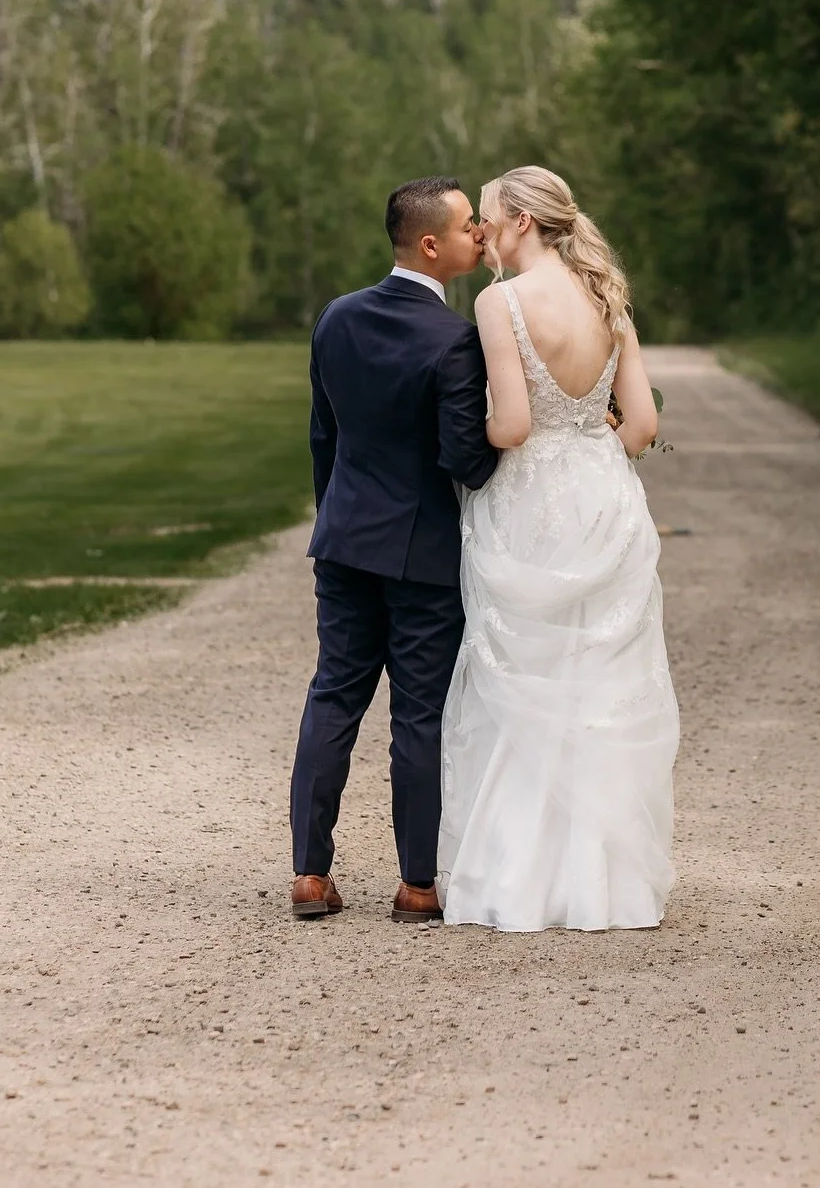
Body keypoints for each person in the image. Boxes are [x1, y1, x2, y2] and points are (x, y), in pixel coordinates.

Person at [437, 166, 679, 931]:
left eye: (487, 218)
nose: (481, 231)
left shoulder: (499, 300)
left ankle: (519, 880)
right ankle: (603, 887)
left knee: (522, 675)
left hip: (533, 498)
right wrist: (586, 437)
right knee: (595, 678)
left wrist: (453, 429)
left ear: (520, 222)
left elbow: (509, 425)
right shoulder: (608, 297)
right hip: (603, 494)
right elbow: (639, 429)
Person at [289, 177, 496, 924]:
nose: (482, 233)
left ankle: (310, 873)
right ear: (432, 244)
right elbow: (464, 459)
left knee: (334, 695)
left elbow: (323, 436)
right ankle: (416, 884)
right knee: (417, 715)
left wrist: (336, 517)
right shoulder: (454, 339)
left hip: (343, 540)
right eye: (471, 224)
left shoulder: (335, 318)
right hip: (422, 556)